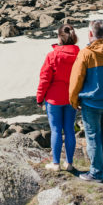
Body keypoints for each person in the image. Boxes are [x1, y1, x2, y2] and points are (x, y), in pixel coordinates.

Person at [68, 19, 103, 182]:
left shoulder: (87, 53)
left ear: (90, 34)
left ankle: (96, 172)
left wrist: (73, 100)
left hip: (91, 102)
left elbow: (76, 79)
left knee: (93, 135)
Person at [36, 24, 80, 171]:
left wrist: (39, 98)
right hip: (71, 97)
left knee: (55, 130)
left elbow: (44, 79)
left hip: (54, 99)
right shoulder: (79, 54)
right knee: (69, 129)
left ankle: (55, 164)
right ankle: (69, 163)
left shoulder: (53, 55)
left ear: (60, 37)